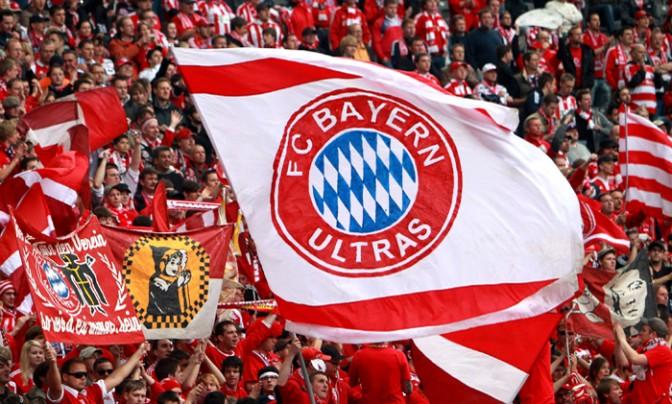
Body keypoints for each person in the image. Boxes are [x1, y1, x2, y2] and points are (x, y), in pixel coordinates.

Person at [613, 319, 672, 403]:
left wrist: (622, 339)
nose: (640, 333)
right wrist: (618, 341)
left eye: (644, 330)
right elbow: (623, 362)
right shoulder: (645, 349)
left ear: (653, 334)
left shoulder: (663, 350)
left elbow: (635, 358)